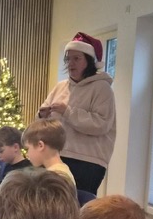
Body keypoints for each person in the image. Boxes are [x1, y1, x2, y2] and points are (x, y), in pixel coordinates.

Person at [38, 32, 115, 195]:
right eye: (68, 59)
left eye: (77, 58)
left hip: (87, 161)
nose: (71, 63)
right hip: (57, 155)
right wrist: (42, 115)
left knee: (77, 206)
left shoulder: (102, 88)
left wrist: (68, 112)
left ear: (90, 61)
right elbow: (43, 119)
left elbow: (101, 124)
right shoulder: (61, 86)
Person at [22, 118, 75, 187]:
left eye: (27, 149)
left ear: (40, 145)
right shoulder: (61, 170)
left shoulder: (54, 177)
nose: (27, 154)